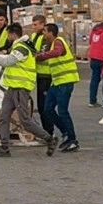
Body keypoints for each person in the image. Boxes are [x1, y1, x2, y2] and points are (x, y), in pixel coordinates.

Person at [0, 23, 59, 158]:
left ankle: (49, 139)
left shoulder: (22, 48)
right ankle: (4, 147)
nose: (7, 38)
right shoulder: (20, 47)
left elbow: (8, 62)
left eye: (8, 35)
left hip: (20, 87)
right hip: (12, 87)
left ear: (13, 34)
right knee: (4, 116)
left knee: (25, 120)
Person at [36, 24, 80, 153]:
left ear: (50, 32)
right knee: (47, 109)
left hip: (65, 82)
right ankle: (65, 132)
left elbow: (58, 52)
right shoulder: (52, 44)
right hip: (56, 82)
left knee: (62, 111)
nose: (43, 34)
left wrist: (41, 56)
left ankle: (72, 139)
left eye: (44, 31)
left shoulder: (58, 42)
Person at [31, 15, 54, 134]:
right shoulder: (34, 36)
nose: (33, 27)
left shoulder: (46, 38)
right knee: (41, 106)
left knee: (44, 106)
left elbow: (43, 54)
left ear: (42, 24)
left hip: (46, 75)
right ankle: (46, 130)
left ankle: (49, 131)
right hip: (38, 75)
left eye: (36, 24)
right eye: (33, 24)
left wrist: (33, 56)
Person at [88, 21, 103, 107]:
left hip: (93, 57)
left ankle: (92, 100)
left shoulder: (94, 31)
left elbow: (90, 42)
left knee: (94, 80)